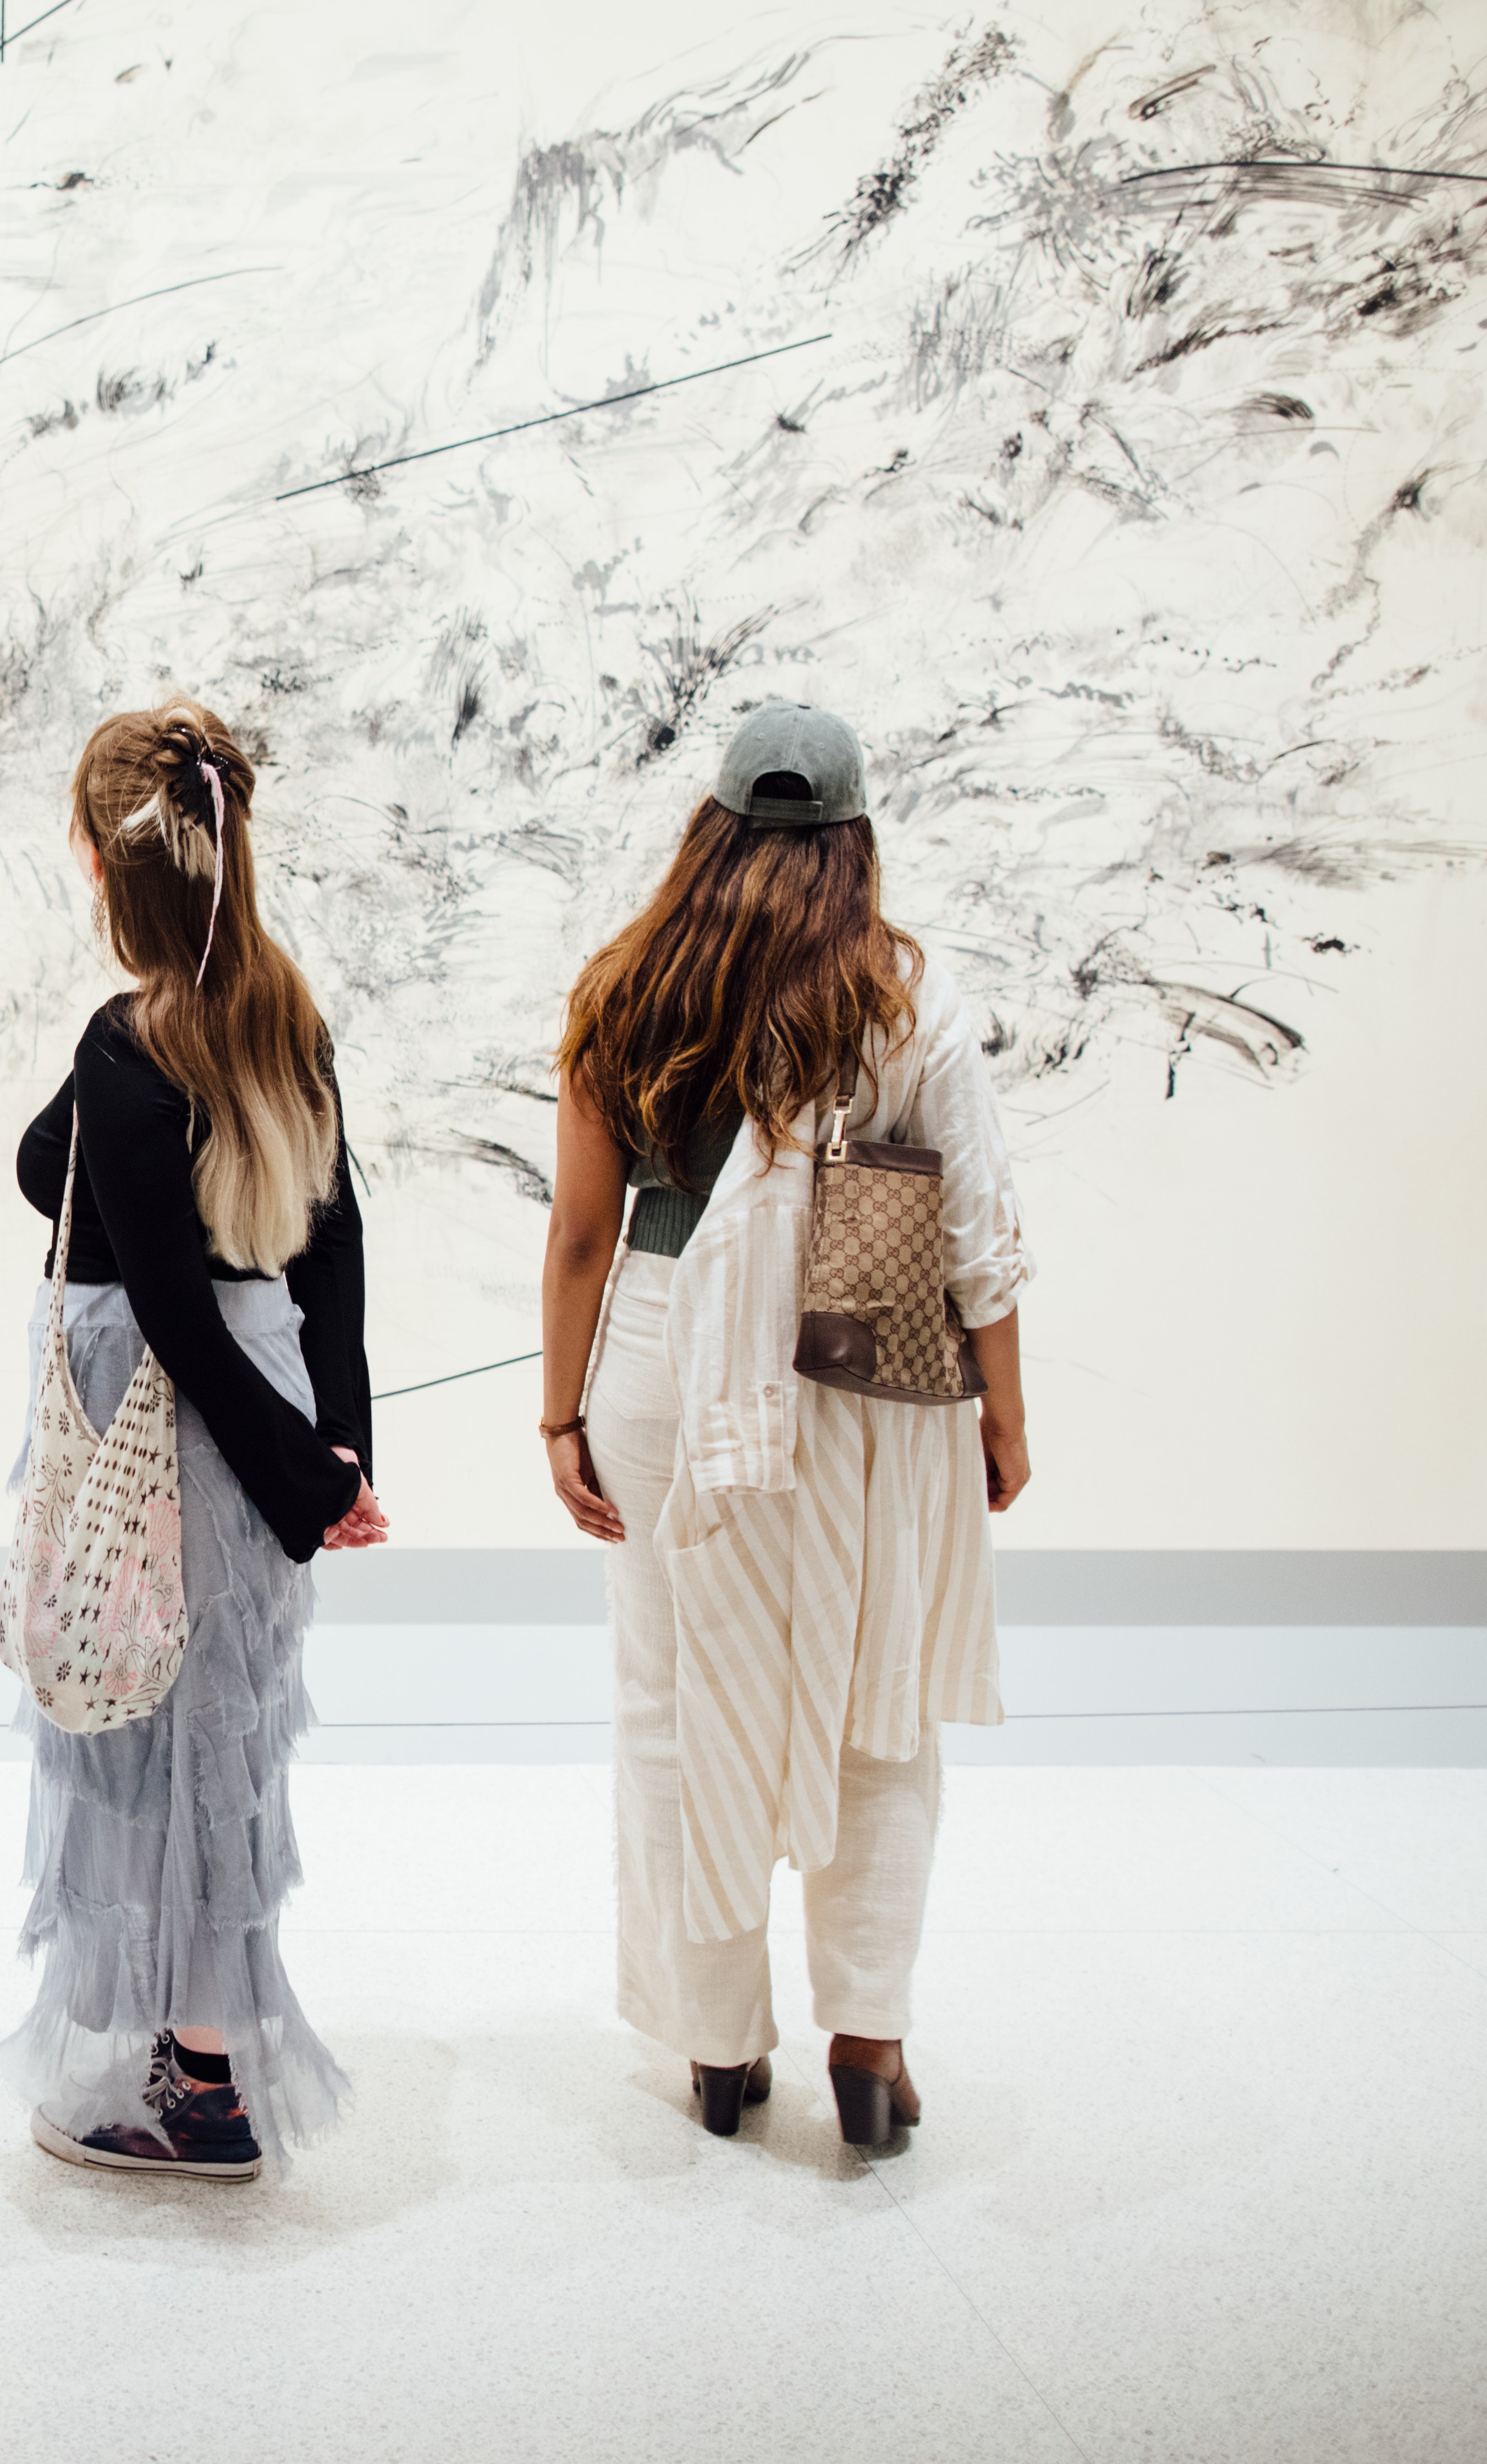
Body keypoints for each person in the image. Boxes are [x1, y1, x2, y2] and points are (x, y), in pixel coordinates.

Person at [537, 700, 1032, 2150]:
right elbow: (980, 1234)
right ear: (855, 840)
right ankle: (867, 2051)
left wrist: (561, 1412)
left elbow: (580, 1235)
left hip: (661, 1362)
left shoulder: (623, 989)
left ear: (712, 830)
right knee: (872, 1691)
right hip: (859, 1373)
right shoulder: (904, 999)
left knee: (677, 1699)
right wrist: (1004, 1418)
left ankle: (715, 2051)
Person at [3, 698, 390, 2183]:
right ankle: (196, 2046)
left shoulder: (130, 1042)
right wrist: (334, 1455)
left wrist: (301, 1477)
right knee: (220, 1713)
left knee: (150, 1721)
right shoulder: (277, 1018)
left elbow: (163, 1306)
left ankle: (206, 2088)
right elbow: (336, 1250)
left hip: (156, 1417)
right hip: (270, 1389)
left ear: (109, 874)